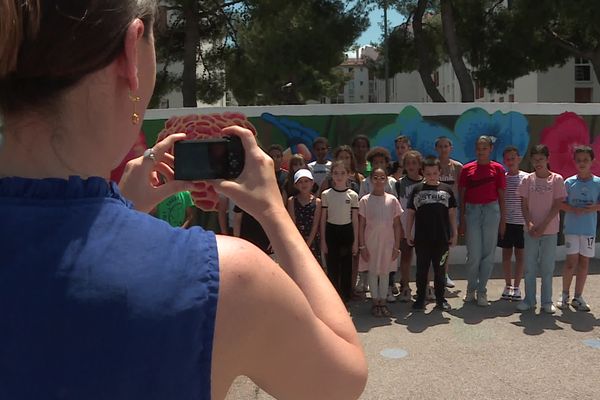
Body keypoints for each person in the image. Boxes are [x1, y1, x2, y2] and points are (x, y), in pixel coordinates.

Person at [0, 2, 367, 399]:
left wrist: (122, 210)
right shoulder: (228, 278)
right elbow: (342, 383)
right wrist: (274, 213)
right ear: (132, 50)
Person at [516, 145, 566, 314]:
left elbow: (557, 204)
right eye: (535, 159)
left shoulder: (557, 179)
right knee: (529, 267)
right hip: (530, 231)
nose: (538, 163)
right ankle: (529, 299)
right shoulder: (527, 180)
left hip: (550, 230)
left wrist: (543, 224)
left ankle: (546, 301)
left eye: (541, 159)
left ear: (547, 159)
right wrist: (529, 223)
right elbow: (523, 205)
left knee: (547, 267)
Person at [459, 136, 506, 307]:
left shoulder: (498, 169)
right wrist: (462, 219)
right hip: (472, 211)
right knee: (473, 254)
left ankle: (482, 291)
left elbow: (502, 196)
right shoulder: (467, 169)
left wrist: (503, 220)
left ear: (490, 149)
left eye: (485, 148)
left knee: (488, 254)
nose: (481, 151)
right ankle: (471, 289)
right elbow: (462, 196)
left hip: (492, 211)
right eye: (479, 147)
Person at [406, 157, 457, 312]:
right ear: (423, 173)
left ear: (440, 172)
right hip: (422, 239)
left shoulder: (446, 190)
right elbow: (410, 214)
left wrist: (454, 233)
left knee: (440, 270)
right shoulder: (417, 190)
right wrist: (408, 232)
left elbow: (452, 214)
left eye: (435, 173)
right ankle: (420, 299)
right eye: (428, 173)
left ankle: (441, 299)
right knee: (422, 270)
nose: (432, 176)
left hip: (442, 239)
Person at [558, 145, 600, 312]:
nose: (582, 163)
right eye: (579, 160)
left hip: (589, 230)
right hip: (572, 230)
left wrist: (593, 208)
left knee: (584, 263)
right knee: (570, 263)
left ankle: (578, 296)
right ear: (574, 162)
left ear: (592, 162)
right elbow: (560, 203)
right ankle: (564, 295)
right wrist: (572, 209)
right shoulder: (569, 182)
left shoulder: (597, 182)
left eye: (586, 160)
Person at [358, 168, 402, 318]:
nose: (378, 180)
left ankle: (383, 302)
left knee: (384, 272)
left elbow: (396, 225)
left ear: (386, 180)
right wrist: (362, 246)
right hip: (371, 242)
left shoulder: (392, 200)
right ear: (371, 180)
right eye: (375, 177)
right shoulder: (364, 200)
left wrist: (396, 246)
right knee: (372, 271)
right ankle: (375, 302)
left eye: (382, 178)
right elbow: (361, 225)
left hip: (387, 243)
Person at [321, 161, 359, 302]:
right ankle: (333, 298)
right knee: (332, 267)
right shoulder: (326, 194)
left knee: (346, 266)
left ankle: (345, 298)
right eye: (336, 173)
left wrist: (355, 242)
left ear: (349, 174)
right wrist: (323, 241)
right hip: (332, 231)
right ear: (331, 174)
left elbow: (355, 220)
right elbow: (323, 219)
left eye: (343, 173)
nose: (339, 176)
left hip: (346, 231)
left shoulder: (353, 195)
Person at [497, 146, 527, 301]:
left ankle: (516, 287)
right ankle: (508, 285)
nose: (511, 161)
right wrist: (501, 222)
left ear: (519, 158)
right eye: (508, 159)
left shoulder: (527, 177)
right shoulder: (503, 177)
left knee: (520, 256)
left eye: (513, 158)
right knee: (507, 255)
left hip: (522, 224)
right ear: (504, 161)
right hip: (506, 223)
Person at [395, 150, 425, 302]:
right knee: (406, 257)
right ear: (404, 165)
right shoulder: (400, 183)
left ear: (420, 165)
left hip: (422, 227)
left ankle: (424, 287)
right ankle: (405, 286)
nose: (411, 166)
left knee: (424, 259)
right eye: (408, 163)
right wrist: (400, 227)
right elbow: (397, 207)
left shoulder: (426, 183)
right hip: (406, 226)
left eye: (414, 163)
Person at [434, 136, 463, 289]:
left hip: (451, 212)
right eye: (440, 146)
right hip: (434, 213)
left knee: (447, 245)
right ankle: (434, 276)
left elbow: (462, 191)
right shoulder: (432, 166)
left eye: (446, 146)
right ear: (436, 149)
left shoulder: (458, 167)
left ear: (451, 148)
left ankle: (444, 274)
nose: (443, 149)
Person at [287, 169, 322, 261]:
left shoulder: (317, 202)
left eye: (306, 181)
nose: (304, 184)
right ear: (295, 185)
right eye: (300, 182)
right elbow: (292, 223)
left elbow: (315, 225)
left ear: (312, 183)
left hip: (312, 240)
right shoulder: (292, 201)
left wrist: (307, 245)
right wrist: (298, 243)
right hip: (297, 239)